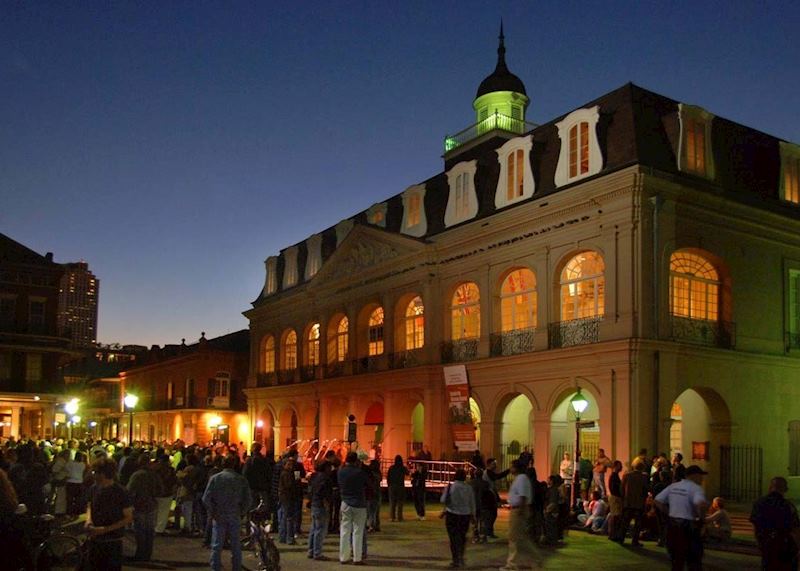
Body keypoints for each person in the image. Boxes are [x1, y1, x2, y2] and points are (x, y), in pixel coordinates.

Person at [202, 454, 252, 571]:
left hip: (219, 513)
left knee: (217, 544)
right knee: (235, 545)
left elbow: (206, 498)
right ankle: (236, 567)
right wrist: (242, 511)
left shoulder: (215, 478)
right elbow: (248, 499)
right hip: (234, 513)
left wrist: (212, 511)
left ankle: (215, 567)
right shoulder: (240, 479)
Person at [654, 464, 708, 571]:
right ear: (695, 476)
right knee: (694, 560)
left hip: (673, 525)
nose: (702, 479)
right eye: (701, 476)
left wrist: (669, 512)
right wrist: (701, 519)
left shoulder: (673, 486)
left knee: (677, 561)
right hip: (689, 526)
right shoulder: (696, 488)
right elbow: (700, 504)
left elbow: (657, 500)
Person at [84, 458, 134, 571]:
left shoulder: (121, 492)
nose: (93, 475)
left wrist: (105, 529)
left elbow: (128, 517)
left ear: (103, 474)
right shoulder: (94, 488)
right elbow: (89, 506)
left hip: (112, 542)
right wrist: (88, 520)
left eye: (95, 472)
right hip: (94, 540)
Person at [750, 476, 800, 571]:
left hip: (767, 544)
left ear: (770, 487)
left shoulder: (759, 503)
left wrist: (759, 543)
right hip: (785, 546)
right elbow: (795, 529)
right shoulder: (788, 506)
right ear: (785, 489)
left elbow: (755, 526)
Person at [501, 460, 540, 571]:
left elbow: (523, 496)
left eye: (511, 467)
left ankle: (512, 563)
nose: (510, 469)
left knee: (515, 537)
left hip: (518, 510)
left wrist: (521, 511)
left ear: (516, 468)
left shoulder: (522, 478)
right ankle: (531, 560)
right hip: (517, 509)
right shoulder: (520, 478)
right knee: (519, 538)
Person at [126, 453, 162, 562]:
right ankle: (147, 554)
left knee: (140, 531)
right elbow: (161, 490)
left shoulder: (137, 475)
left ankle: (140, 554)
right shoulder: (154, 475)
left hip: (139, 505)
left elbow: (129, 490)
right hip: (152, 504)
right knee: (149, 531)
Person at [441, 468, 475, 569]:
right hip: (465, 515)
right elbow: (472, 503)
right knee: (462, 536)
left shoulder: (450, 487)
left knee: (453, 538)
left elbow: (443, 500)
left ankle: (455, 559)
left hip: (452, 514)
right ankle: (461, 556)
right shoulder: (469, 488)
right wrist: (473, 516)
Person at [338, 451, 368, 565]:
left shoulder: (341, 471)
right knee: (358, 531)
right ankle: (357, 557)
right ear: (356, 460)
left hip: (345, 501)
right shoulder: (359, 472)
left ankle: (344, 557)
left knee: (345, 530)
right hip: (359, 503)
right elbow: (367, 483)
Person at [616, 461, 649, 545]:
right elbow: (645, 490)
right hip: (639, 503)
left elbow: (621, 489)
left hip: (628, 503)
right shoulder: (644, 477)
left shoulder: (626, 476)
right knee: (637, 523)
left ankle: (621, 538)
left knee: (625, 521)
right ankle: (635, 540)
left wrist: (623, 499)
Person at [307, 460, 333, 561]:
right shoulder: (326, 479)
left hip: (314, 503)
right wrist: (327, 504)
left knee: (314, 528)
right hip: (321, 505)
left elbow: (311, 489)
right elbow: (325, 493)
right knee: (320, 529)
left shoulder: (314, 476)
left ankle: (311, 550)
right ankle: (317, 553)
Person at [482, 458, 509, 538]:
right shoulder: (488, 472)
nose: (495, 465)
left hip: (490, 495)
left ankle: (488, 532)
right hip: (488, 496)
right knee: (491, 514)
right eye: (494, 464)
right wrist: (508, 471)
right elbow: (497, 476)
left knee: (492, 514)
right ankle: (487, 532)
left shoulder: (489, 472)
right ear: (489, 464)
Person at [278, 459, 301, 544]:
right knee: (288, 518)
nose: (290, 466)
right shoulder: (286, 474)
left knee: (285, 517)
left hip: (287, 497)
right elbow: (290, 485)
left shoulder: (290, 473)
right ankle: (288, 538)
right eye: (288, 464)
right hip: (288, 497)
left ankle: (283, 537)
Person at [387, 455, 408, 522]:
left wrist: (389, 485)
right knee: (400, 502)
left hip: (392, 486)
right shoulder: (403, 468)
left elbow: (388, 477)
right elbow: (407, 473)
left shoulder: (391, 468)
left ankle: (392, 517)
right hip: (400, 486)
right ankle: (400, 517)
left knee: (392, 502)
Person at [605, 460, 623, 540]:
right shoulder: (614, 476)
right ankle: (612, 534)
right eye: (619, 465)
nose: (621, 467)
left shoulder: (614, 476)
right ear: (615, 466)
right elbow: (614, 488)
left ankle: (613, 534)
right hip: (615, 497)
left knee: (615, 516)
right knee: (615, 516)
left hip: (615, 497)